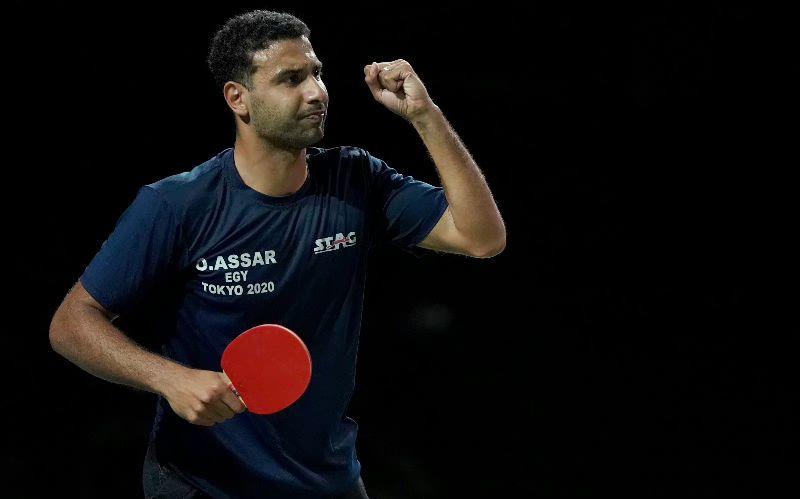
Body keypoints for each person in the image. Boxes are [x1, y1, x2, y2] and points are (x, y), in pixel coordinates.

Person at [49, 9, 505, 499]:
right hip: (204, 483)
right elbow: (71, 323)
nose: (317, 92)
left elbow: (482, 238)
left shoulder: (356, 180)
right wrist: (169, 379)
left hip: (326, 480)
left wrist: (425, 116)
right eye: (291, 79)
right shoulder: (178, 205)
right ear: (237, 98)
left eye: (317, 73)